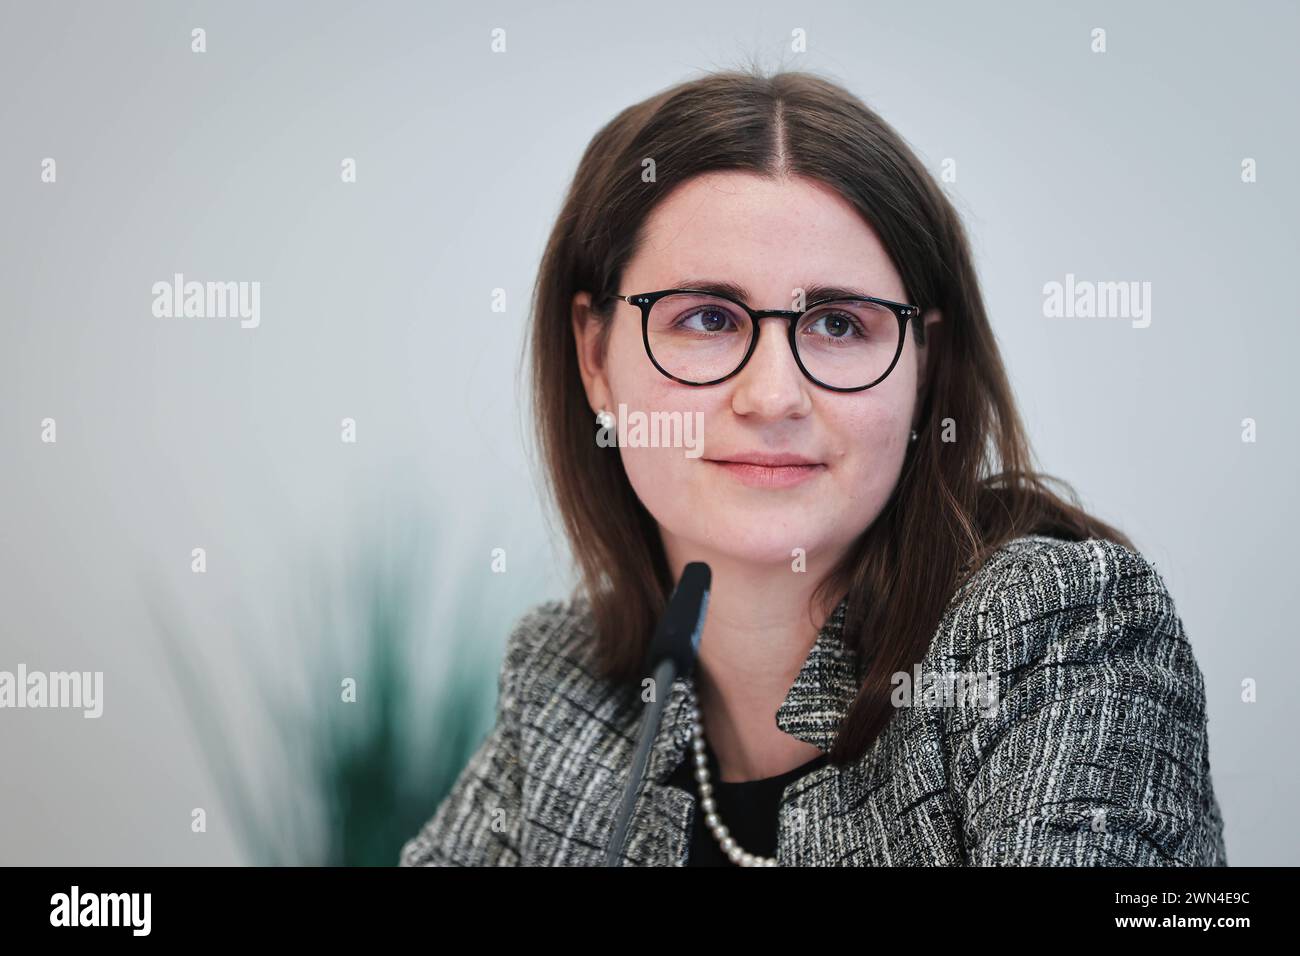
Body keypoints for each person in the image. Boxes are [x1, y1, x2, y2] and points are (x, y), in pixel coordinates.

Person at [400, 68, 1228, 866]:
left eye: (837, 325)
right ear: (594, 357)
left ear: (923, 366)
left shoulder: (1052, 635)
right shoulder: (563, 686)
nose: (772, 396)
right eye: (708, 317)